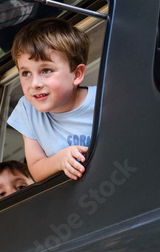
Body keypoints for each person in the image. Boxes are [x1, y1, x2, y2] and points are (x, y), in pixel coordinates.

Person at [7, 18, 95, 182]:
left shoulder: (103, 100)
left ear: (76, 75)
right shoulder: (27, 110)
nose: (35, 84)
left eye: (46, 70)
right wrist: (60, 159)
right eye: (26, 73)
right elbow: (36, 169)